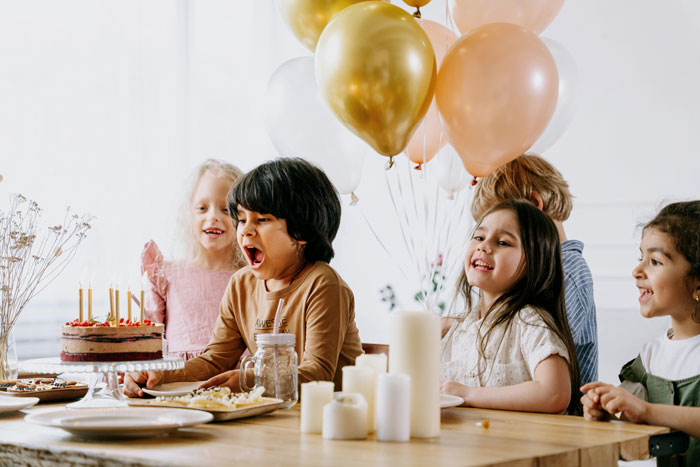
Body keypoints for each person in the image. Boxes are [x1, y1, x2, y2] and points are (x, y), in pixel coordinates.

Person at [125, 158, 363, 396]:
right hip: (270, 418)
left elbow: (317, 373)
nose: (246, 230)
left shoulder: (323, 285)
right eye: (241, 219)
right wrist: (159, 375)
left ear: (301, 231)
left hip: (324, 420)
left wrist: (251, 380)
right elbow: (214, 360)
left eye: (262, 220)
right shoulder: (241, 284)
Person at [581, 201, 700, 467]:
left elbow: (644, 411)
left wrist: (647, 411)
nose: (637, 271)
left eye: (655, 261)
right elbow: (631, 412)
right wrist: (607, 408)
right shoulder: (650, 355)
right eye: (641, 258)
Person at [441, 199, 581, 414]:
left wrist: (468, 394)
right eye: (479, 237)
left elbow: (555, 393)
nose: (483, 246)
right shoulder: (455, 329)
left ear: (534, 262)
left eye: (503, 242)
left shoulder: (529, 321)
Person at [471, 154, 598, 385]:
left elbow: (541, 348)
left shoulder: (567, 272)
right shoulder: (521, 270)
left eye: (502, 237)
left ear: (534, 206)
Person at [141, 159, 245, 359]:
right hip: (178, 384)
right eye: (202, 208)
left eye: (226, 209)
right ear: (188, 214)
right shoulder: (165, 275)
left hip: (238, 385)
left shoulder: (252, 278)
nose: (213, 216)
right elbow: (148, 344)